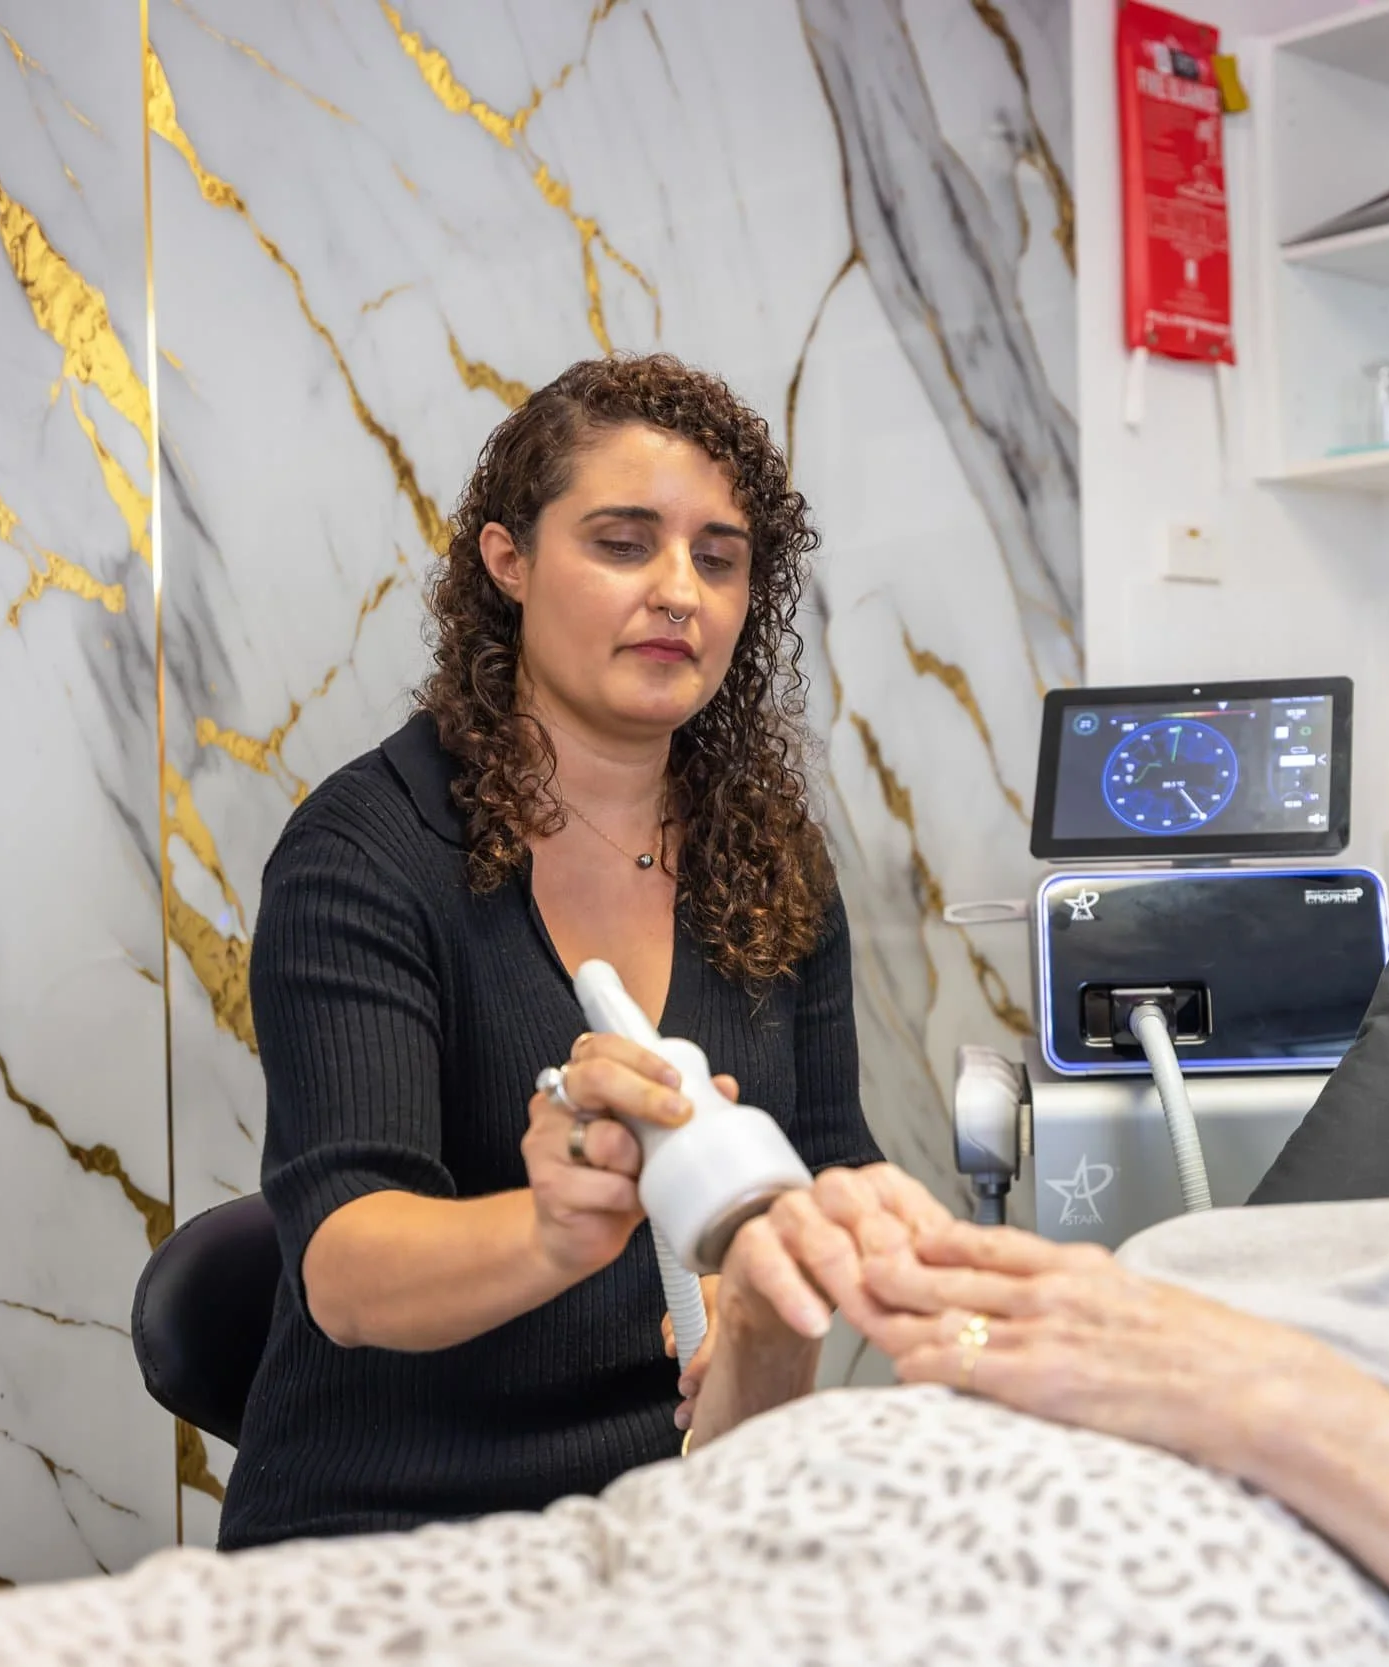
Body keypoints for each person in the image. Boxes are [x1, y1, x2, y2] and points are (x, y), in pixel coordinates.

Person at [0, 964, 1389, 1664]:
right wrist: (764, 1298)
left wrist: (1275, 1411)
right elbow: (735, 1474)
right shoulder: (1203, 1263)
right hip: (672, 1580)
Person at [215, 354, 884, 1549]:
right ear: (507, 562)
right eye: (625, 543)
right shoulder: (364, 855)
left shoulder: (772, 857)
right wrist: (550, 1229)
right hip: (399, 1522)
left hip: (678, 1510)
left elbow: (828, 1171)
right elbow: (347, 1268)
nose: (679, 590)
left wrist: (793, 1284)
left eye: (718, 558)